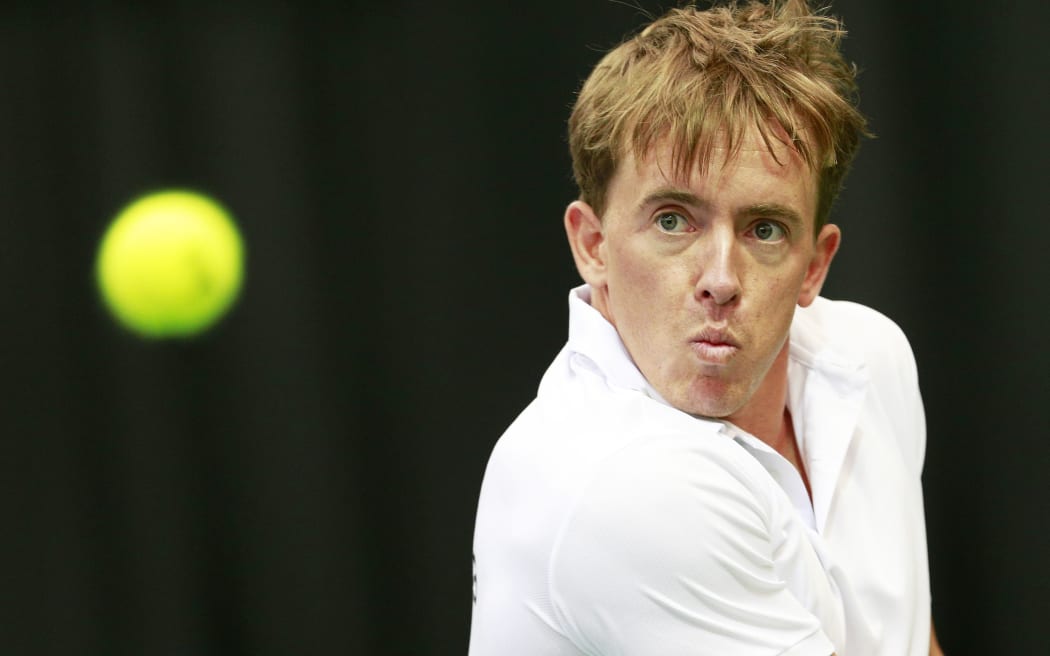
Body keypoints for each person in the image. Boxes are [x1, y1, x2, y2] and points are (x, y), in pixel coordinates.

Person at [469, 1, 942, 654]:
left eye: (765, 229)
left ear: (815, 264)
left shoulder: (871, 355)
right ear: (593, 245)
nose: (721, 277)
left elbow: (908, 637)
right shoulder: (621, 481)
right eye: (673, 220)